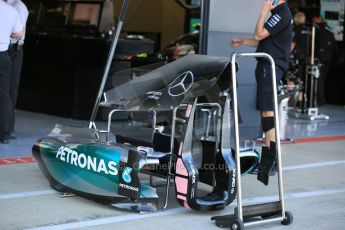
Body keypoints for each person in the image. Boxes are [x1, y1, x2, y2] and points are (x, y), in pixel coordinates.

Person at [231, 0, 292, 185]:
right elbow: (264, 40)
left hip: (269, 67)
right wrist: (243, 42)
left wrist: (264, 11)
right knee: (267, 111)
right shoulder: (279, 14)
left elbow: (259, 34)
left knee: (267, 111)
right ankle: (270, 160)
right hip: (268, 66)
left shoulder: (281, 13)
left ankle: (270, 161)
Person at [0, 0, 24, 144]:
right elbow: (18, 33)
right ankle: (4, 134)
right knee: (4, 95)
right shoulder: (11, 10)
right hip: (3, 55)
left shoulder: (19, 7)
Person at [7, 0, 29, 139]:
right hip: (7, 48)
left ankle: (8, 127)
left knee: (10, 89)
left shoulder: (19, 6)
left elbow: (19, 32)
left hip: (14, 49)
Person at [312, 15, 338, 106]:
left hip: (319, 58)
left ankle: (319, 100)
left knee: (319, 79)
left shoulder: (316, 30)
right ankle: (320, 99)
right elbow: (335, 48)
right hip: (328, 58)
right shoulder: (329, 31)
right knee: (322, 79)